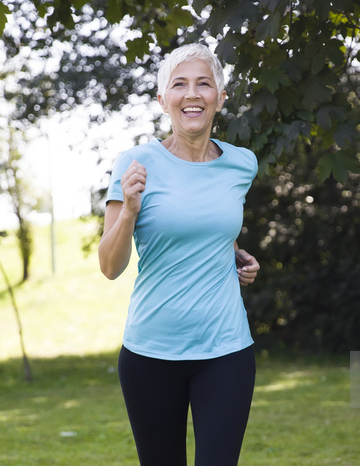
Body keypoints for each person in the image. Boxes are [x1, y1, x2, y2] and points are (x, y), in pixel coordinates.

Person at [98, 43, 260, 466]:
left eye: (204, 84)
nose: (192, 94)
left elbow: (216, 230)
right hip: (151, 354)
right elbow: (110, 267)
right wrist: (130, 211)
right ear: (163, 99)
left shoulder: (241, 164)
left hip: (226, 350)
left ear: (220, 98)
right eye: (180, 84)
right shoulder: (135, 163)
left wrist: (240, 256)